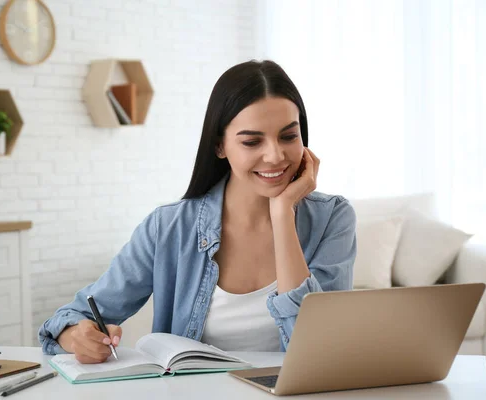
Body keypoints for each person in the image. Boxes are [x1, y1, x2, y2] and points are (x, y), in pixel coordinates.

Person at [38, 60, 357, 364]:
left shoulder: (333, 219)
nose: (275, 156)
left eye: (289, 136)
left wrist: (283, 214)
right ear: (220, 146)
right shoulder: (168, 228)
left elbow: (318, 350)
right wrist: (75, 335)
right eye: (251, 142)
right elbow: (74, 317)